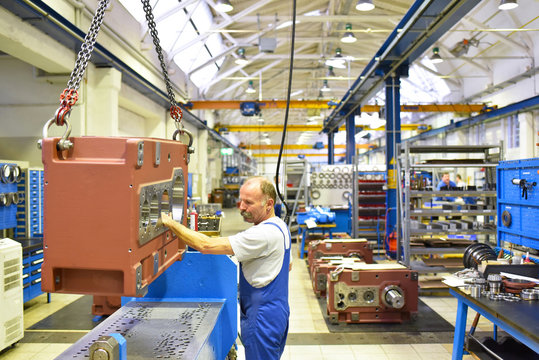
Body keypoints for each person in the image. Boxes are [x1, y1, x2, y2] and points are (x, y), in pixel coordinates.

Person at [160, 176, 291, 360]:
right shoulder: (280, 226)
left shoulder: (262, 234)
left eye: (248, 202)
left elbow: (206, 246)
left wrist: (170, 223)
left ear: (269, 204)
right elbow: (288, 265)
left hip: (262, 317)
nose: (242, 207)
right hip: (278, 311)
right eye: (241, 201)